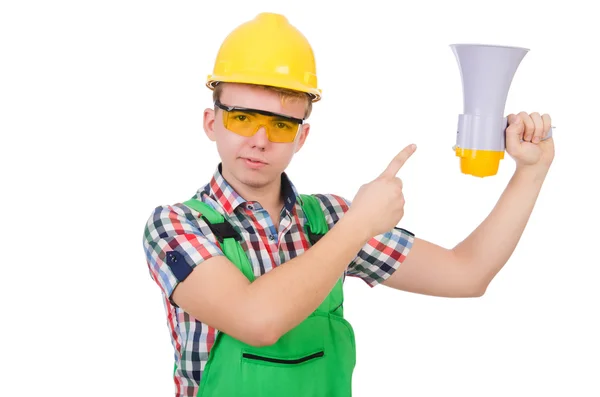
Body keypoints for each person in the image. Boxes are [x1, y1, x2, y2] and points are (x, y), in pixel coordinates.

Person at [142, 12, 554, 397]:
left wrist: (532, 172)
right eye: (243, 118)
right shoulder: (176, 226)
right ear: (212, 123)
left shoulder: (330, 220)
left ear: (301, 138)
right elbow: (257, 321)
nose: (260, 140)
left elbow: (468, 274)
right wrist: (358, 227)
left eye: (281, 124)